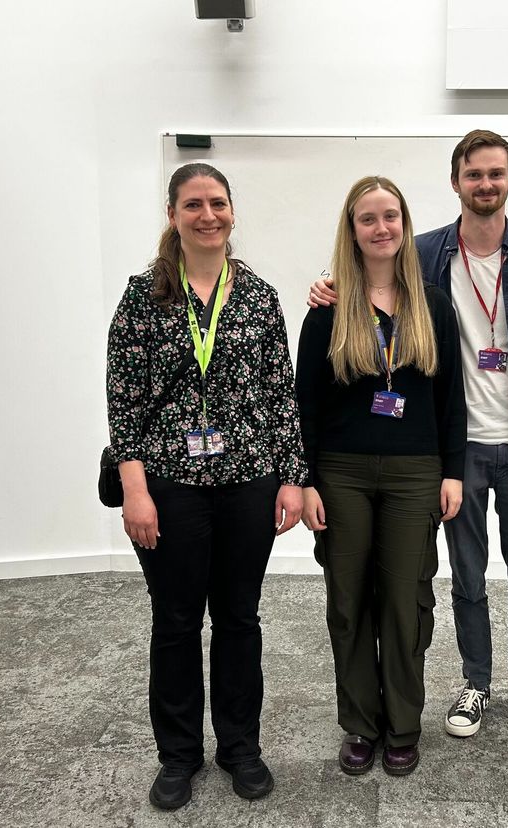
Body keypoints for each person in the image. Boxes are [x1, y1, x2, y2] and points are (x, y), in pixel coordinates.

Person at [310, 130, 508, 738]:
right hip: (454, 451)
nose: (485, 184)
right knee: (465, 575)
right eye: (473, 174)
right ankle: (475, 682)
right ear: (455, 182)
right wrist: (328, 286)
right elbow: (371, 277)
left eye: (495, 174)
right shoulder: (426, 253)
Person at [106, 163, 307, 809]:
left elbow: (281, 394)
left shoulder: (258, 296)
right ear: (173, 215)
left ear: (232, 212)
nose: (208, 215)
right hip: (169, 485)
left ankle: (241, 748)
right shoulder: (144, 296)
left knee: (240, 620)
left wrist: (292, 479)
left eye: (218, 203)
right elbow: (124, 402)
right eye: (193, 204)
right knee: (175, 623)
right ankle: (179, 756)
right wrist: (135, 490)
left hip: (250, 480)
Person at [295, 176, 466, 776]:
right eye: (368, 218)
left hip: (415, 473)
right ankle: (360, 725)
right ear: (352, 228)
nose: (381, 228)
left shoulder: (432, 303)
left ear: (405, 223)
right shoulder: (328, 307)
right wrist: (307, 480)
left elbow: (452, 396)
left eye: (390, 216)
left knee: (404, 599)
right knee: (348, 600)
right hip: (340, 472)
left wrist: (454, 472)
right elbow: (305, 404)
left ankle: (402, 723)